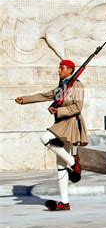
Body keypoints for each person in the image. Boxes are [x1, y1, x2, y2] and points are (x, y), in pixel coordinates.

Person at [15, 60, 88, 211]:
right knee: (60, 166)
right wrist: (25, 100)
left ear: (70, 70)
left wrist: (58, 111)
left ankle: (74, 164)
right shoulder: (63, 86)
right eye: (59, 68)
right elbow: (46, 95)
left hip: (69, 123)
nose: (59, 70)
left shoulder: (77, 85)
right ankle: (64, 203)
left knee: (45, 138)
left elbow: (77, 107)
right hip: (61, 122)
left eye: (62, 68)